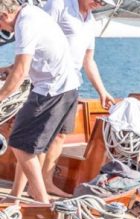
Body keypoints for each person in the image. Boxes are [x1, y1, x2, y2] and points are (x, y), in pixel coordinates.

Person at [13, 0, 115, 198]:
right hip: (50, 83)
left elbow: (88, 60)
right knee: (31, 142)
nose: (99, 3)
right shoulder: (58, 5)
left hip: (71, 83)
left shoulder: (90, 21)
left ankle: (45, 183)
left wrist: (102, 91)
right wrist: (18, 70)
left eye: (104, 2)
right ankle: (20, 192)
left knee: (58, 136)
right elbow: (34, 35)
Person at [0, 0, 79, 204]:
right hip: (66, 87)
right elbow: (28, 61)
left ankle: (42, 201)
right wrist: (10, 68)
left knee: (19, 144)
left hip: (51, 90)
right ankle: (14, 197)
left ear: (4, 16)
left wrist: (0, 97)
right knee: (28, 147)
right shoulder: (32, 13)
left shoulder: (24, 24)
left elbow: (20, 72)